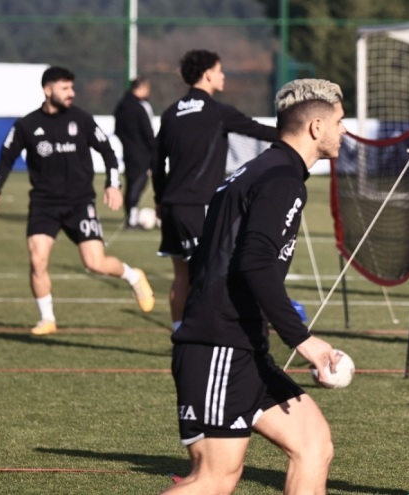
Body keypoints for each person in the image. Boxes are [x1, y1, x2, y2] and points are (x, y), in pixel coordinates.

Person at [163, 78, 346, 495]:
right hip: (218, 347)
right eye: (338, 120)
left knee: (313, 444)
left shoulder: (263, 170)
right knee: (214, 479)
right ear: (316, 127)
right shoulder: (281, 178)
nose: (343, 130)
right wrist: (304, 340)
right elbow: (255, 262)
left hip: (244, 347)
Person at [0, 66, 155, 335]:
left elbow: (108, 152)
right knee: (37, 260)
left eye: (72, 88)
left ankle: (134, 276)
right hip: (43, 203)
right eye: (65, 88)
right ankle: (47, 318)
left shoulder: (81, 119)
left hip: (80, 203)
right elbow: (6, 158)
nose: (71, 93)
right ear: (47, 90)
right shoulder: (27, 125)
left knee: (94, 262)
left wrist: (112, 184)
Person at [154, 49, 280, 332]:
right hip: (198, 206)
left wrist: (159, 199)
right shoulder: (216, 111)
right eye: (220, 70)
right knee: (209, 275)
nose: (223, 75)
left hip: (173, 206)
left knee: (181, 277)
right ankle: (201, 334)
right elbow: (257, 130)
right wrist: (297, 135)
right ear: (208, 73)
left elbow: (157, 160)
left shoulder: (171, 112)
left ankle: (180, 334)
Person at [113, 76, 156, 229]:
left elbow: (117, 130)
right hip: (142, 153)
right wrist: (154, 151)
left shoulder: (121, 106)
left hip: (128, 152)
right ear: (142, 87)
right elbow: (148, 133)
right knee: (138, 184)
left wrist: (128, 143)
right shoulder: (140, 107)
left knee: (131, 183)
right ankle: (131, 219)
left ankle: (130, 216)